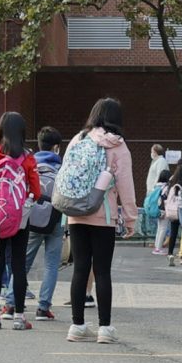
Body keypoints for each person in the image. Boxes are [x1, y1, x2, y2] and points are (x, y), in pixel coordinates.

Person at [61, 98, 136, 340]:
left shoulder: (78, 139)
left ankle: (77, 326)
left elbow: (66, 175)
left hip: (76, 213)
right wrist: (131, 218)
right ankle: (104, 328)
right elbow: (126, 186)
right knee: (102, 271)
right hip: (103, 215)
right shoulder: (118, 146)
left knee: (79, 269)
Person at [0, 112, 43, 329]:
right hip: (19, 218)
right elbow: (36, 190)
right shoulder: (27, 158)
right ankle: (19, 316)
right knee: (18, 265)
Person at [25, 125, 67, 318]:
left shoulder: (31, 164)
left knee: (24, 262)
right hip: (55, 220)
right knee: (51, 265)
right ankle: (43, 307)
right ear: (56, 147)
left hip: (32, 219)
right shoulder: (61, 167)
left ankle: (10, 301)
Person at [153, 161, 182, 261]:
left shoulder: (168, 184)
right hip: (180, 210)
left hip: (169, 211)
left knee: (170, 231)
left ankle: (169, 252)